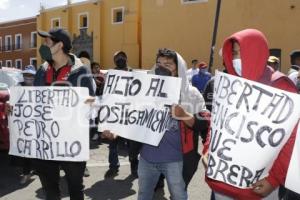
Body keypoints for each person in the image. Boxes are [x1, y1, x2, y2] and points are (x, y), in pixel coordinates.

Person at [202, 29, 298, 200]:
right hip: (222, 181)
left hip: (260, 185)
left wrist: (274, 179)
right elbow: (217, 123)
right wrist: (208, 149)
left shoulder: (281, 86)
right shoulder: (229, 84)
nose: (236, 59)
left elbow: (291, 140)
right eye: (233, 54)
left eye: (241, 52)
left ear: (257, 52)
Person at [136, 48, 208, 200]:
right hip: (147, 158)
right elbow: (130, 117)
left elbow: (205, 122)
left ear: (178, 69)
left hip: (176, 160)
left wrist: (185, 115)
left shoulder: (191, 93)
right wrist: (116, 130)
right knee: (143, 195)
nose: (161, 68)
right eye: (158, 64)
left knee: (178, 196)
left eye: (167, 65)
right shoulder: (145, 91)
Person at [33, 28, 94, 200]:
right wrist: (17, 109)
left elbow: (92, 105)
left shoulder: (81, 72)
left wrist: (90, 103)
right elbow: (33, 100)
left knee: (75, 190)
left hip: (71, 142)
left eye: (47, 41)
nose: (43, 44)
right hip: (46, 142)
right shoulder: (42, 70)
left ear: (60, 45)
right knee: (50, 191)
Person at [101, 51, 141, 178]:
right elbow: (104, 94)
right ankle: (113, 167)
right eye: (117, 58)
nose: (120, 59)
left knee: (132, 146)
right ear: (114, 61)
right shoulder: (110, 75)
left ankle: (134, 168)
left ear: (126, 58)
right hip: (114, 115)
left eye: (122, 57)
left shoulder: (134, 74)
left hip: (130, 116)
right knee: (112, 145)